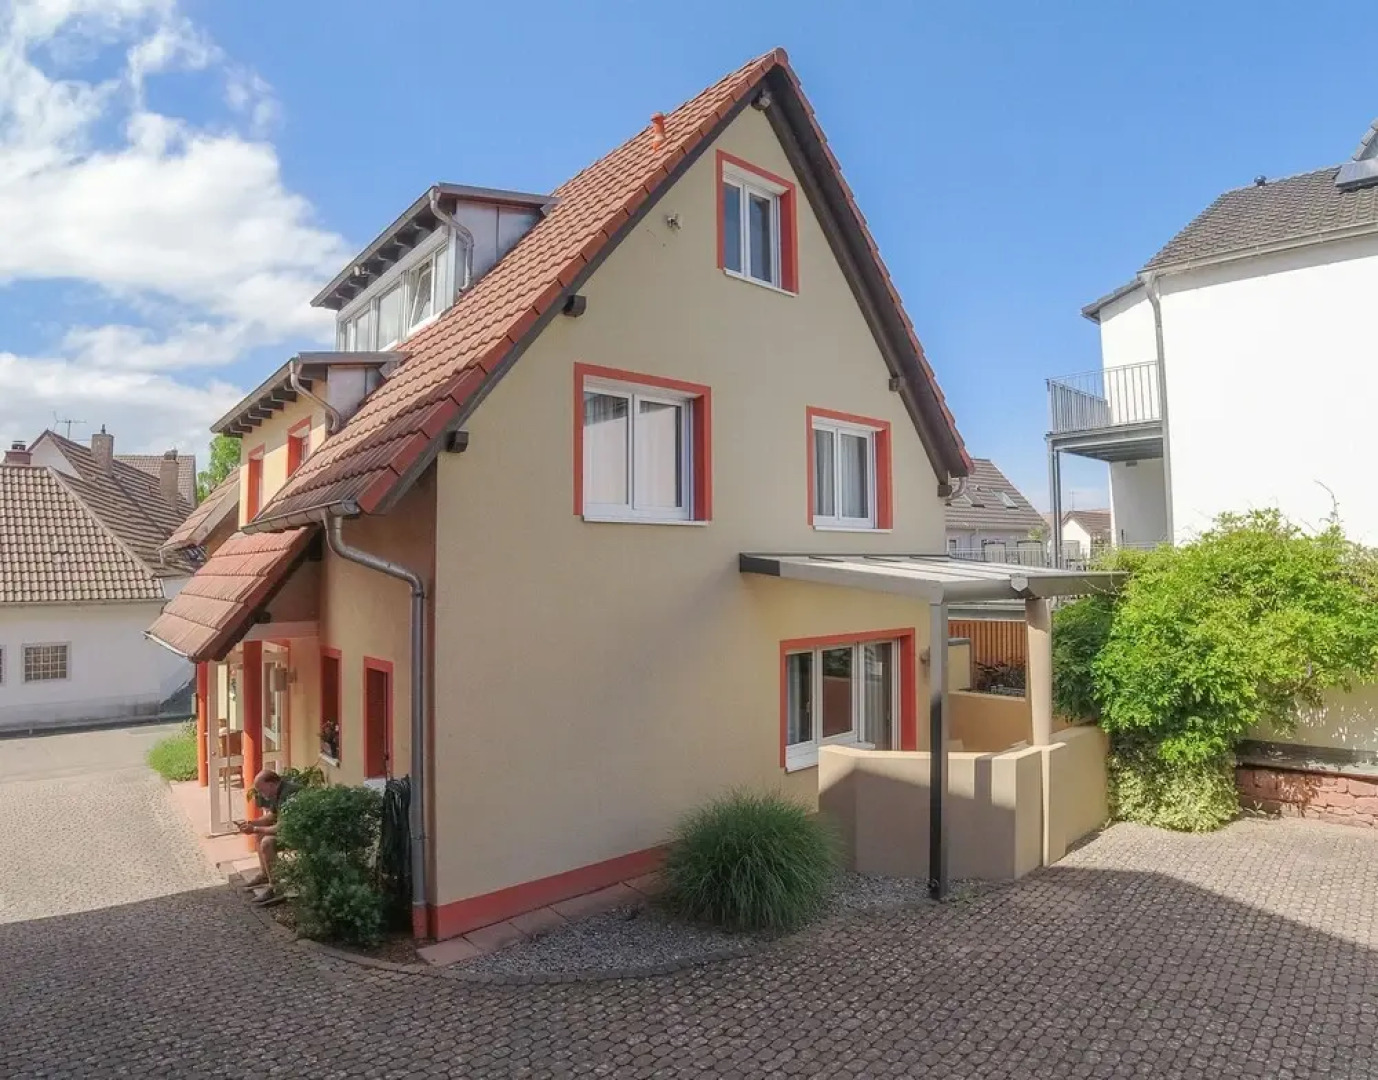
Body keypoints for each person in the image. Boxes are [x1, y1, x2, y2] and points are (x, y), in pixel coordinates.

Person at [238, 768, 298, 903]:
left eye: (261, 789)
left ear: (271, 784)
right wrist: (251, 823)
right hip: (290, 830)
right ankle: (266, 875)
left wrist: (254, 828)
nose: (260, 794)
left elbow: (280, 827)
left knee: (267, 842)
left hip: (301, 833)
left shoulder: (289, 793)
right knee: (260, 835)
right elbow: (272, 815)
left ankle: (276, 888)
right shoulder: (278, 791)